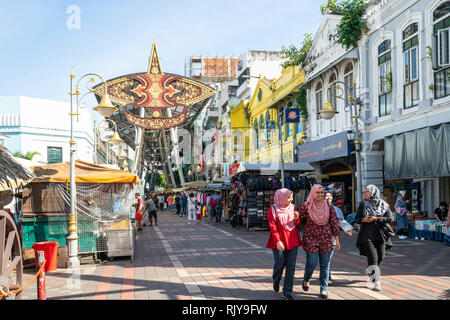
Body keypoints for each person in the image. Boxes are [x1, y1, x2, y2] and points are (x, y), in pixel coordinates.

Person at [299, 184, 340, 299]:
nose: (320, 195)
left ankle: (324, 288)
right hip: (311, 237)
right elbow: (298, 218)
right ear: (312, 193)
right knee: (312, 263)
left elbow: (334, 222)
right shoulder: (306, 205)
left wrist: (336, 239)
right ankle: (306, 279)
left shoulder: (328, 205)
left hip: (326, 238)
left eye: (322, 192)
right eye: (318, 192)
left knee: (325, 265)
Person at [355, 185, 394, 291]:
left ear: (373, 192)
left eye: (366, 191)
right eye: (364, 192)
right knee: (373, 258)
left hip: (380, 234)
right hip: (366, 235)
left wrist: (377, 218)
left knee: (381, 257)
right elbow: (357, 219)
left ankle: (371, 271)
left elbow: (390, 218)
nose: (364, 193)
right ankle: (376, 282)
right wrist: (364, 220)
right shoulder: (362, 204)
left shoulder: (383, 204)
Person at [266, 188, 301, 300]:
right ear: (281, 197)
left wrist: (296, 218)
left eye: (291, 197)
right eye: (288, 197)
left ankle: (287, 291)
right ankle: (276, 280)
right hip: (279, 240)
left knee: (291, 267)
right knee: (279, 264)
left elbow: (297, 224)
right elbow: (272, 226)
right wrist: (278, 241)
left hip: (292, 238)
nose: (291, 199)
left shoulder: (293, 208)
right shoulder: (273, 209)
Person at [325, 191, 354, 286]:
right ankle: (324, 276)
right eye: (326, 196)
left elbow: (341, 221)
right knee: (322, 260)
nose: (328, 197)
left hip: (332, 238)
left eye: (330, 196)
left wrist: (348, 229)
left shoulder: (336, 210)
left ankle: (327, 277)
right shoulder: (316, 209)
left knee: (327, 259)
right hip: (319, 238)